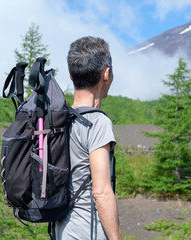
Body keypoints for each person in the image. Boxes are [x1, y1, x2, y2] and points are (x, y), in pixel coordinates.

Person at [54, 36, 122, 240]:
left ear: (71, 75)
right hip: (87, 232)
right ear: (106, 73)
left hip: (61, 231)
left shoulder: (58, 119)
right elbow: (101, 192)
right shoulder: (97, 123)